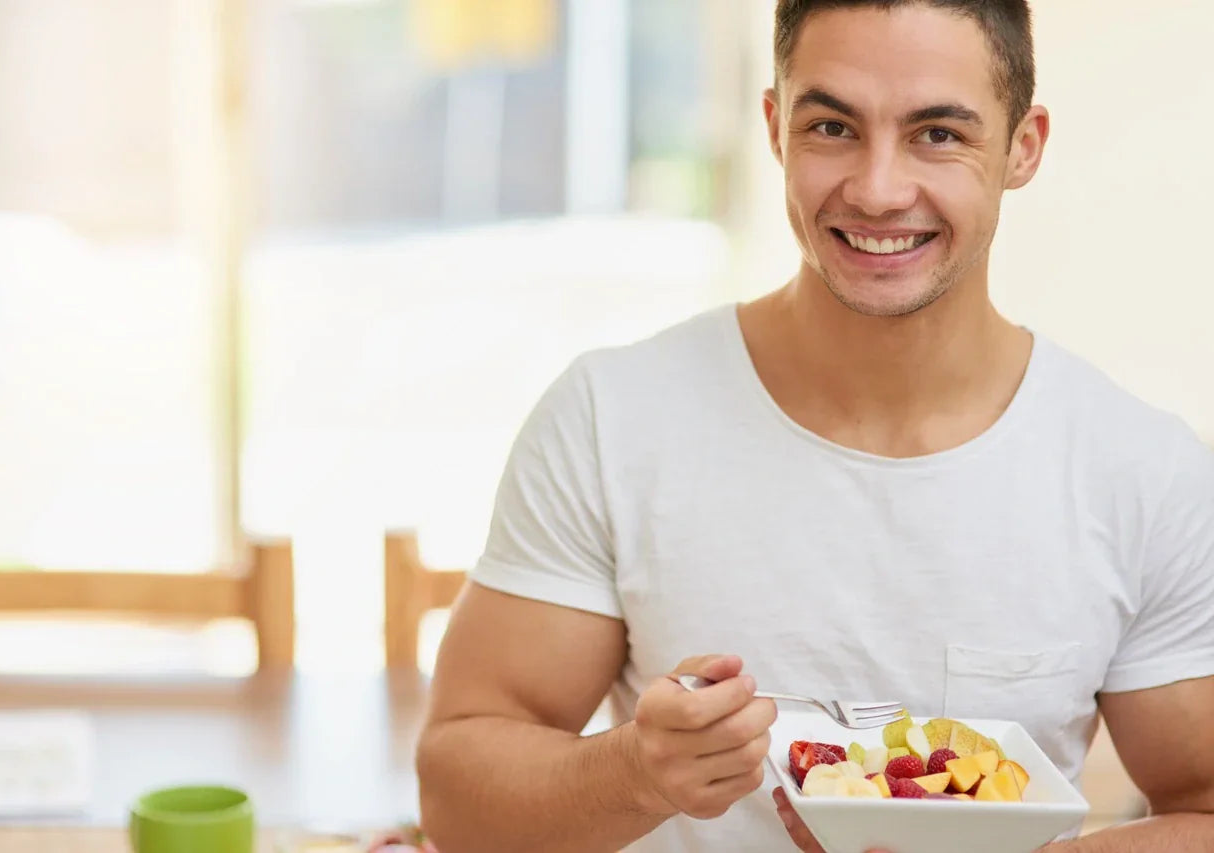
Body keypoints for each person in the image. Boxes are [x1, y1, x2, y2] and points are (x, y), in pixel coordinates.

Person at [414, 1, 1214, 850]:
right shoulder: (611, 417)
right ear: (775, 127)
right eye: (832, 126)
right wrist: (633, 773)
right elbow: (457, 797)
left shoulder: (1143, 471)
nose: (876, 190)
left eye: (937, 134)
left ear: (1024, 146)